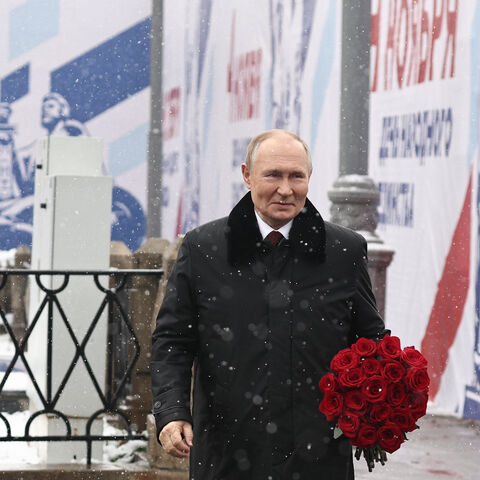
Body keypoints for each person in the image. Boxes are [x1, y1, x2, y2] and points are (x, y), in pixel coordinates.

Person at [151, 129, 389, 479]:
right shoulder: (203, 250)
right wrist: (171, 412)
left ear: (310, 178)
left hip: (317, 458)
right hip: (227, 454)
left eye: (297, 176)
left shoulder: (344, 251)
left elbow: (369, 343)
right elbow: (172, 342)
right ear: (247, 175)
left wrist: (379, 410)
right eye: (273, 175)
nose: (285, 189)